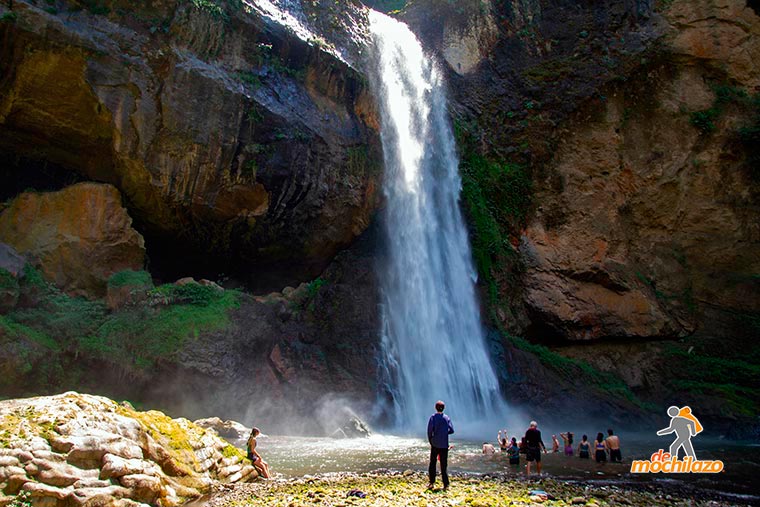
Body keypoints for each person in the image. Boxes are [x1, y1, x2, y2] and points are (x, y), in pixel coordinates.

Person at [427, 400, 454, 490]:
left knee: (432, 463)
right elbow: (451, 430)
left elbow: (430, 430)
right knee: (444, 465)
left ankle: (431, 483)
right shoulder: (447, 418)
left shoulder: (433, 417)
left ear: (435, 408)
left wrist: (431, 440)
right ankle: (446, 484)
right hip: (444, 444)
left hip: (435, 443)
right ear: (444, 408)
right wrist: (444, 433)